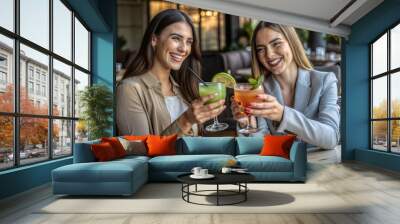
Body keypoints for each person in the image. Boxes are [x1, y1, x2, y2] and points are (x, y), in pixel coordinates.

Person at [231, 21, 340, 149]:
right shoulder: (260, 91)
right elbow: (261, 148)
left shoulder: (325, 81)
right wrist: (248, 125)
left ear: (291, 42)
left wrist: (283, 115)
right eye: (261, 49)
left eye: (276, 43)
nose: (269, 55)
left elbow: (331, 138)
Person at [117, 9, 225, 136]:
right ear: (154, 40)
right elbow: (138, 150)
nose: (183, 49)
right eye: (176, 38)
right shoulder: (130, 90)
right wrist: (186, 120)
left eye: (189, 42)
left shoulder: (184, 88)